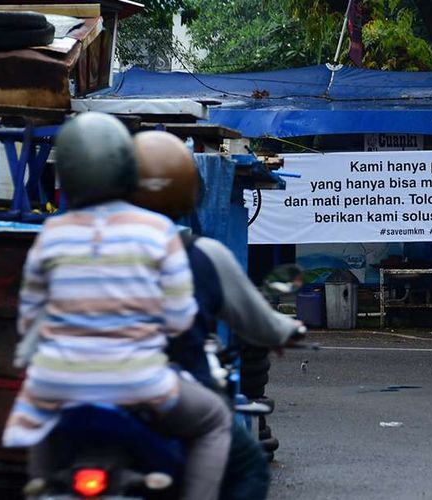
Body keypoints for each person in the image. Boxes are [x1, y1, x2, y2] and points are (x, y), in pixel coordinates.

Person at [2, 113, 232, 500]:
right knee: (214, 422)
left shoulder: (52, 234)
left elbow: (29, 320)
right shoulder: (159, 232)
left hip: (58, 384)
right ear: (127, 167)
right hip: (139, 382)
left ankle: (41, 485)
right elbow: (179, 319)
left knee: (45, 420)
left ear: (69, 174)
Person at [130, 130, 305, 499]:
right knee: (247, 466)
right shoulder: (202, 254)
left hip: (73, 394)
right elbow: (260, 324)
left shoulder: (77, 247)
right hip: (162, 393)